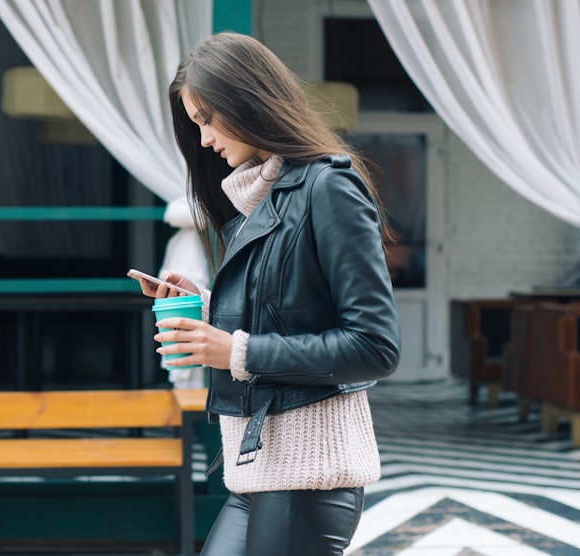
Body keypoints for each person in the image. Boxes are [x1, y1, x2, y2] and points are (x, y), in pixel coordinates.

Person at [134, 32, 401, 556]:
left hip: (310, 474)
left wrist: (232, 351)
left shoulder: (329, 188)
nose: (205, 139)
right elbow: (290, 310)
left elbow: (375, 345)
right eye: (196, 125)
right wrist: (206, 307)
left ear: (247, 101)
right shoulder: (256, 199)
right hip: (255, 469)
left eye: (207, 119)